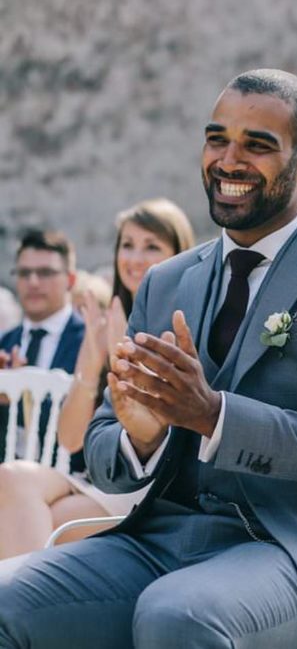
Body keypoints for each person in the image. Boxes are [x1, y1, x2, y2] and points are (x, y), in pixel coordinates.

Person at [0, 69, 297, 649]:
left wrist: (213, 415)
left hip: (296, 546)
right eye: (217, 138)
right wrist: (139, 437)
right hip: (159, 537)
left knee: (178, 615)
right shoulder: (166, 282)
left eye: (258, 145)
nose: (228, 159)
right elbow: (100, 450)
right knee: (7, 596)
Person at [0, 199, 195, 560]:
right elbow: (71, 439)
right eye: (127, 245)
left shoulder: (184, 323)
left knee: (45, 521)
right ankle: (20, 610)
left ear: (178, 252)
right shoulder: (106, 319)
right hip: (96, 478)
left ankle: (19, 611)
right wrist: (91, 361)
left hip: (152, 485)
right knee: (9, 478)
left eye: (151, 246)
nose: (134, 258)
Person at [0, 230, 85, 459]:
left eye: (45, 272)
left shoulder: (90, 344)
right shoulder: (4, 343)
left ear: (70, 280)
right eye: (24, 272)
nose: (33, 282)